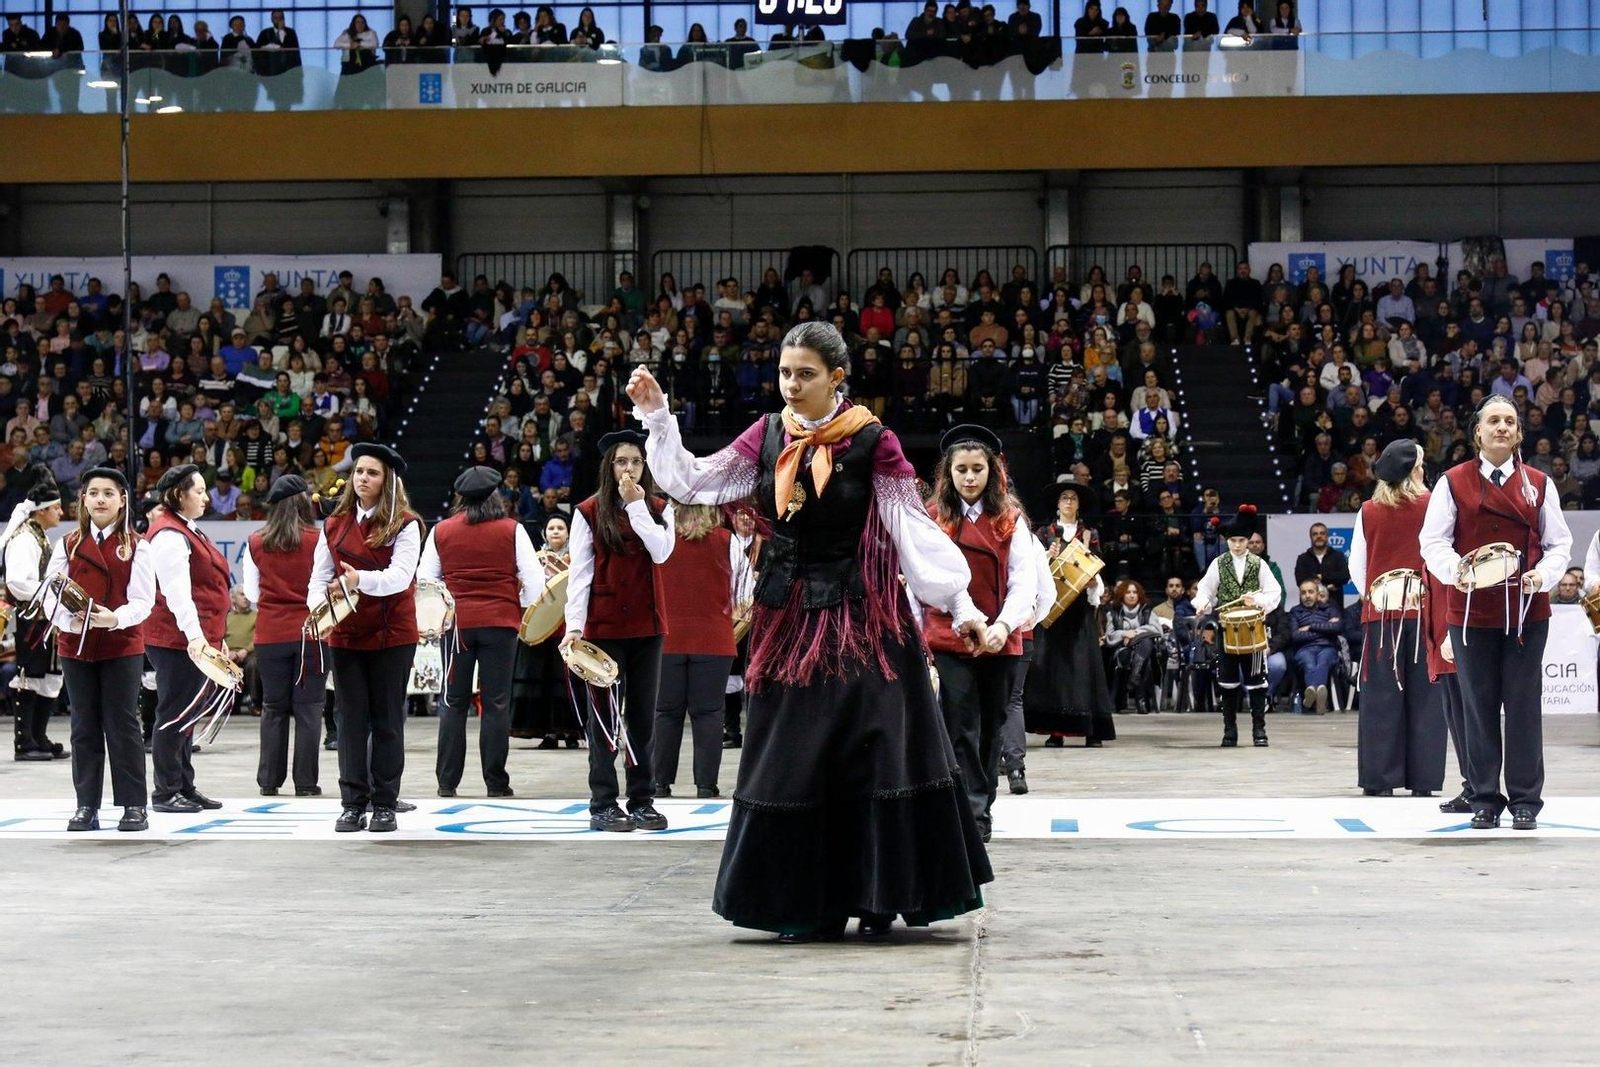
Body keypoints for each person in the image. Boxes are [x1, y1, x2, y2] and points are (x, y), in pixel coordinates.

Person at [631, 320, 992, 942]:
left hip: (863, 619)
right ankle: (805, 904)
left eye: (805, 374)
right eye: (784, 373)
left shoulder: (875, 441)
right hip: (788, 619)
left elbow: (911, 531)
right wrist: (659, 417)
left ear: (836, 378)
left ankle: (880, 897)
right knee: (794, 757)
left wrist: (962, 607)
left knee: (878, 750)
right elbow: (692, 481)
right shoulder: (767, 434)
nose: (791, 386)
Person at [1420, 395, 1571, 830]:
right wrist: (1458, 572)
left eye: (1510, 421)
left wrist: (1543, 576)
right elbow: (1432, 541)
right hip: (1470, 611)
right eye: (1494, 421)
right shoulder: (1452, 482)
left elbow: (1559, 543)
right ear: (1478, 433)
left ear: (1519, 433)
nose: (1502, 427)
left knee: (1523, 705)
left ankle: (1525, 799)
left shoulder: (1539, 483)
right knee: (1477, 705)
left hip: (1526, 611)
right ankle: (1484, 797)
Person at [923, 425, 1035, 842]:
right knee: (960, 725)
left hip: (1001, 639)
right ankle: (969, 811)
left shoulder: (1011, 520)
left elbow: (1024, 583)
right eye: (961, 470)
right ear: (948, 473)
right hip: (951, 635)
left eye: (977, 469)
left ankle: (982, 805)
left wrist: (1003, 626)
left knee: (991, 728)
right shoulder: (931, 518)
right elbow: (925, 579)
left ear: (992, 472)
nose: (970, 478)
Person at [561, 430, 675, 833]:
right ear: (609, 467)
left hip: (647, 625)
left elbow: (661, 552)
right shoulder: (588, 511)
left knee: (643, 719)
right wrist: (574, 626)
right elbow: (580, 573)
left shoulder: (659, 507)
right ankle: (603, 803)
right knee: (604, 719)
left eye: (636, 462)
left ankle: (642, 800)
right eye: (622, 461)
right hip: (603, 626)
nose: (629, 469)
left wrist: (638, 507)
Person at [308, 443, 422, 833]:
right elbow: (318, 579)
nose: (362, 478)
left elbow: (399, 578)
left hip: (393, 634)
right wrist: (319, 613)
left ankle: (385, 803)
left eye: (372, 473)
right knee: (349, 721)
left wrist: (358, 580)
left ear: (387, 480)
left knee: (387, 720)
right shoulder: (333, 524)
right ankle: (352, 804)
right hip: (346, 634)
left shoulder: (406, 524)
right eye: (359, 471)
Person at [419, 466, 543, 799]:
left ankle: (447, 782)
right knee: (496, 703)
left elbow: (425, 581)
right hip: (500, 624)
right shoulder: (512, 529)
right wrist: (517, 607)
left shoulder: (441, 531)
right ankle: (496, 782)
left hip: (457, 625)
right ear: (495, 495)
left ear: (461, 498)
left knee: (453, 702)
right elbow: (535, 581)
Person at [42, 468, 153, 831]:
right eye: (94, 493)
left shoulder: (137, 545)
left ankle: (134, 805)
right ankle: (86, 805)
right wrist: (69, 621)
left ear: (122, 500)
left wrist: (115, 619)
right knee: (83, 726)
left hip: (121, 645)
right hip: (76, 646)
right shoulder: (68, 544)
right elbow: (50, 595)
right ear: (84, 500)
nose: (101, 499)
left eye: (108, 493)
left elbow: (143, 601)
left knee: (123, 724)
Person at [1348, 440, 1446, 796]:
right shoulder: (1434, 505)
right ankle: (1424, 780)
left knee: (1380, 699)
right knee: (1427, 698)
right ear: (1414, 471)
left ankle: (1380, 780)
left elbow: (1357, 566)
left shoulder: (1368, 511)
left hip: (1382, 615)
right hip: (1424, 613)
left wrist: (1376, 596)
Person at [145, 464, 231, 813]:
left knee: (187, 712)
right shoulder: (169, 534)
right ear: (179, 495)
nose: (206, 497)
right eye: (199, 491)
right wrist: (198, 638)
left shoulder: (185, 528)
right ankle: (166, 791)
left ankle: (183, 785)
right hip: (176, 639)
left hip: (194, 637)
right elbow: (177, 594)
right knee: (174, 712)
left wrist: (215, 639)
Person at [651, 502, 751, 799]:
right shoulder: (727, 540)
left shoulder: (659, 540)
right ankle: (706, 785)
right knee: (709, 713)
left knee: (665, 712)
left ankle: (659, 782)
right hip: (714, 638)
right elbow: (746, 594)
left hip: (666, 639)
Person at [241, 475, 326, 798]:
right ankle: (306, 782)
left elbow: (252, 594)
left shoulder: (256, 541)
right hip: (312, 634)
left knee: (273, 708)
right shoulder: (319, 539)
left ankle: (269, 780)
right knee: (309, 708)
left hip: (270, 634)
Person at [1026, 482, 1114, 747]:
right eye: (1064, 498)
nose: (1068, 502)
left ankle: (1091, 730)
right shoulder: (1044, 533)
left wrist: (1093, 582)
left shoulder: (1089, 534)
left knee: (1084, 667)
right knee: (1053, 669)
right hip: (1053, 611)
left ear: (1078, 504)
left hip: (1079, 612)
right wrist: (1046, 556)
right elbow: (1030, 566)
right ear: (1057, 504)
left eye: (1073, 498)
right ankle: (1056, 731)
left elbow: (1096, 567)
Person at [1191, 505, 1282, 746]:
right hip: (1227, 630)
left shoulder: (1258, 564)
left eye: (1242, 540)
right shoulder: (1218, 564)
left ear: (1248, 540)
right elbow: (1206, 590)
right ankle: (1229, 731)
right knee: (1227, 682)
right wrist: (1202, 604)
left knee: (1257, 682)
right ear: (1227, 541)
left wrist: (1258, 600)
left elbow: (1275, 593)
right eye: (1233, 541)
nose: (1238, 545)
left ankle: (1259, 731)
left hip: (1253, 630)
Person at [2, 472, 67, 760]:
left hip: (44, 617)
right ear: (41, 510)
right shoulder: (25, 538)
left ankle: (39, 737)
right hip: (32, 618)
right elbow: (17, 582)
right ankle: (24, 742)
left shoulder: (37, 535)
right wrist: (50, 594)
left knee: (48, 674)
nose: (61, 512)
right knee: (29, 675)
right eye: (56, 507)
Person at [510, 513, 581, 748]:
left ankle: (571, 732)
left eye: (561, 528)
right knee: (544, 683)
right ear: (544, 533)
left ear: (568, 533)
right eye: (551, 528)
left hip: (567, 629)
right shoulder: (534, 560)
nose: (556, 531)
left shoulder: (578, 558)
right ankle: (548, 733)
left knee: (567, 683)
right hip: (541, 630)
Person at [1103, 579, 1162, 714]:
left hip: (1144, 650)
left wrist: (1135, 634)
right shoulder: (1113, 613)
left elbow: (1157, 630)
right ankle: (1140, 697)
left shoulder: (1147, 611)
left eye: (1135, 592)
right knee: (1132, 655)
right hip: (1122, 649)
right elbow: (1109, 636)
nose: (1132, 595)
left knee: (1146, 642)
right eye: (1128, 592)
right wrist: (1124, 634)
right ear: (1122, 595)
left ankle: (1135, 674)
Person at [1286, 580, 1342, 714]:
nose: (1307, 596)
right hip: (1304, 649)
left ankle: (1312, 692)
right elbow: (1295, 636)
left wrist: (1311, 627)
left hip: (1327, 647)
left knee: (1323, 661)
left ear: (1317, 594)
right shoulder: (1295, 612)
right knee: (1309, 663)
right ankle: (1319, 696)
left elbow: (1337, 628)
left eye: (1311, 592)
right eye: (1303, 593)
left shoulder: (1330, 609)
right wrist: (1325, 629)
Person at [1294, 522, 1350, 606]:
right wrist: (1328, 585)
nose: (1319, 536)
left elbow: (1344, 576)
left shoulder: (1338, 556)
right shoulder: (1303, 559)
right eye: (1315, 534)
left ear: (1327, 536)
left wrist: (1322, 577)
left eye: (1322, 533)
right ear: (1311, 537)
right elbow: (1300, 579)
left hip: (1334, 606)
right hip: (1308, 609)